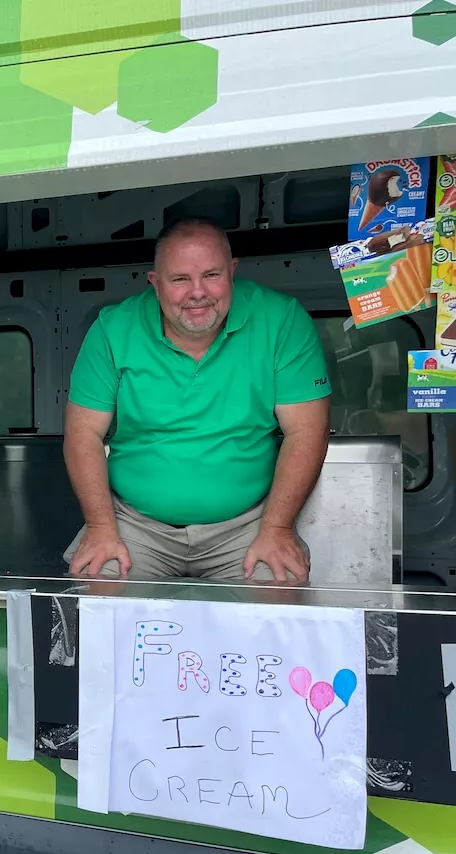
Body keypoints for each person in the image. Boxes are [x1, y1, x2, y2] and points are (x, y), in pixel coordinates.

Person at [62, 218, 331, 583]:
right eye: (180, 279)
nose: (197, 292)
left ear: (232, 271)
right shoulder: (113, 329)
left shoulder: (281, 319)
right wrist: (100, 527)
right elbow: (83, 434)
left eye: (211, 275)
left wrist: (278, 529)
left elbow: (306, 430)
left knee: (278, 602)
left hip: (250, 524)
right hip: (133, 526)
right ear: (155, 284)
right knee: (98, 598)